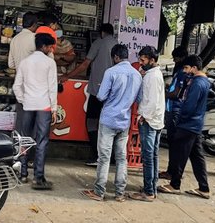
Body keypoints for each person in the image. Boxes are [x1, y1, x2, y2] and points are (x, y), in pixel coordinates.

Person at [82, 44, 142, 202]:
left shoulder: (111, 72)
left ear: (115, 57)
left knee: (104, 157)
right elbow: (138, 99)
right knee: (122, 158)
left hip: (109, 118)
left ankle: (99, 192)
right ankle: (119, 193)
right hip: (124, 120)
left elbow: (101, 96)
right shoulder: (137, 75)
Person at [61, 23, 117, 166]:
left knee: (91, 121)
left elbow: (85, 64)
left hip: (98, 91)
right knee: (106, 124)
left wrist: (68, 75)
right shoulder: (118, 45)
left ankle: (97, 155)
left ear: (102, 32)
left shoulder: (99, 42)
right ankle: (108, 156)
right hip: (112, 93)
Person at [158, 55, 210, 199]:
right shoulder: (203, 82)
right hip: (195, 124)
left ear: (194, 68)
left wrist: (181, 119)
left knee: (179, 155)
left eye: (187, 68)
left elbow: (189, 105)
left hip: (188, 124)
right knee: (197, 157)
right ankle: (204, 187)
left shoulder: (197, 83)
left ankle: (175, 184)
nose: (186, 71)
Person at [13, 33, 58, 189]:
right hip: (44, 106)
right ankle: (38, 177)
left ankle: (23, 174)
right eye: (50, 47)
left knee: (24, 139)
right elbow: (53, 88)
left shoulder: (25, 62)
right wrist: (54, 108)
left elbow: (16, 86)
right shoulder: (50, 63)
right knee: (42, 141)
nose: (51, 49)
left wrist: (23, 99)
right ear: (44, 47)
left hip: (28, 105)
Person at [129, 46, 166, 202]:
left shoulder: (152, 76)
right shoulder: (155, 74)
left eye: (143, 60)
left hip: (150, 121)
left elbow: (151, 101)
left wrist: (144, 117)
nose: (140, 62)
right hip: (156, 120)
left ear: (152, 60)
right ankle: (151, 187)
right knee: (153, 156)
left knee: (148, 157)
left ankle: (148, 191)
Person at [159, 46, 188, 181]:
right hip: (173, 109)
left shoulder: (183, 72)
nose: (174, 61)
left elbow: (176, 94)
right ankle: (172, 171)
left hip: (175, 110)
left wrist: (163, 94)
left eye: (176, 58)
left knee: (174, 143)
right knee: (173, 143)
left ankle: (173, 172)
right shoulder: (180, 72)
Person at [8, 12, 39, 133]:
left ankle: (19, 143)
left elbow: (11, 64)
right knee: (32, 116)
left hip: (19, 82)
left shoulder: (15, 39)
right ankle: (27, 146)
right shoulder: (35, 38)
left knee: (21, 115)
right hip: (33, 83)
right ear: (34, 24)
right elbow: (47, 59)